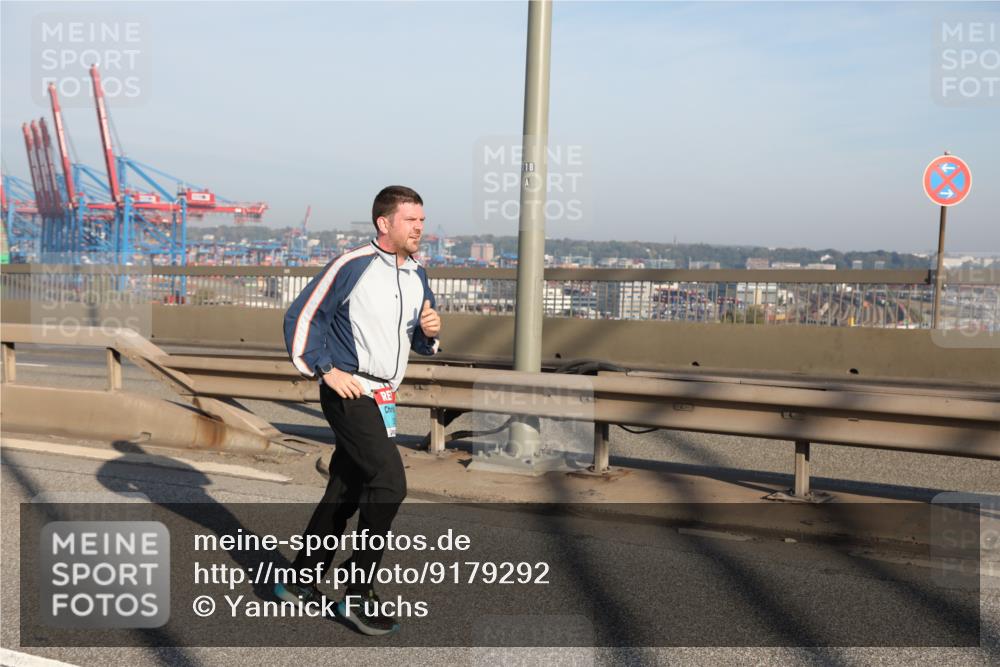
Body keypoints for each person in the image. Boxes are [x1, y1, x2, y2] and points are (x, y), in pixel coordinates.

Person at [276, 185, 441, 636]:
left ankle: (298, 580)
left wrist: (430, 331)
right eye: (412, 221)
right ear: (384, 223)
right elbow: (302, 317)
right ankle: (357, 588)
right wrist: (324, 370)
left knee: (346, 489)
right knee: (389, 483)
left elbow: (418, 342)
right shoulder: (352, 265)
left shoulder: (417, 275)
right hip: (350, 392)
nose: (420, 229)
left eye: (422, 221)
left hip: (384, 397)